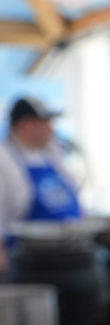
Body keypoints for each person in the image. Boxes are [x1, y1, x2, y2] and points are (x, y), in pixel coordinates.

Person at [0, 96, 83, 271]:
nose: (51, 130)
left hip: (71, 256)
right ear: (27, 124)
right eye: (46, 123)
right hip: (28, 264)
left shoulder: (52, 154)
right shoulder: (4, 158)